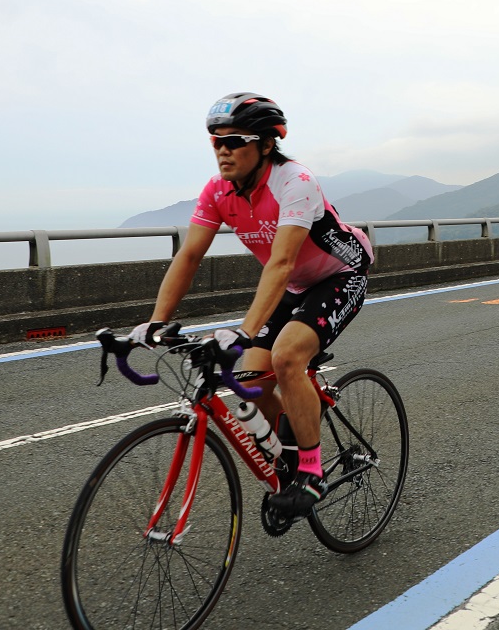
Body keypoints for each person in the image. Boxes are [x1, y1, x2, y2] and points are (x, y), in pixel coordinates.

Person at [128, 92, 373, 517]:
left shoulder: (293, 181)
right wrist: (155, 321)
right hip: (296, 285)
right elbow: (189, 256)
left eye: (234, 140)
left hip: (339, 274)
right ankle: (293, 450)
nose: (223, 150)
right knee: (248, 379)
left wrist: (243, 331)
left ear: (265, 144)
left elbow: (279, 263)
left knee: (287, 357)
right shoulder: (218, 191)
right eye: (215, 141)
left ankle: (311, 472)